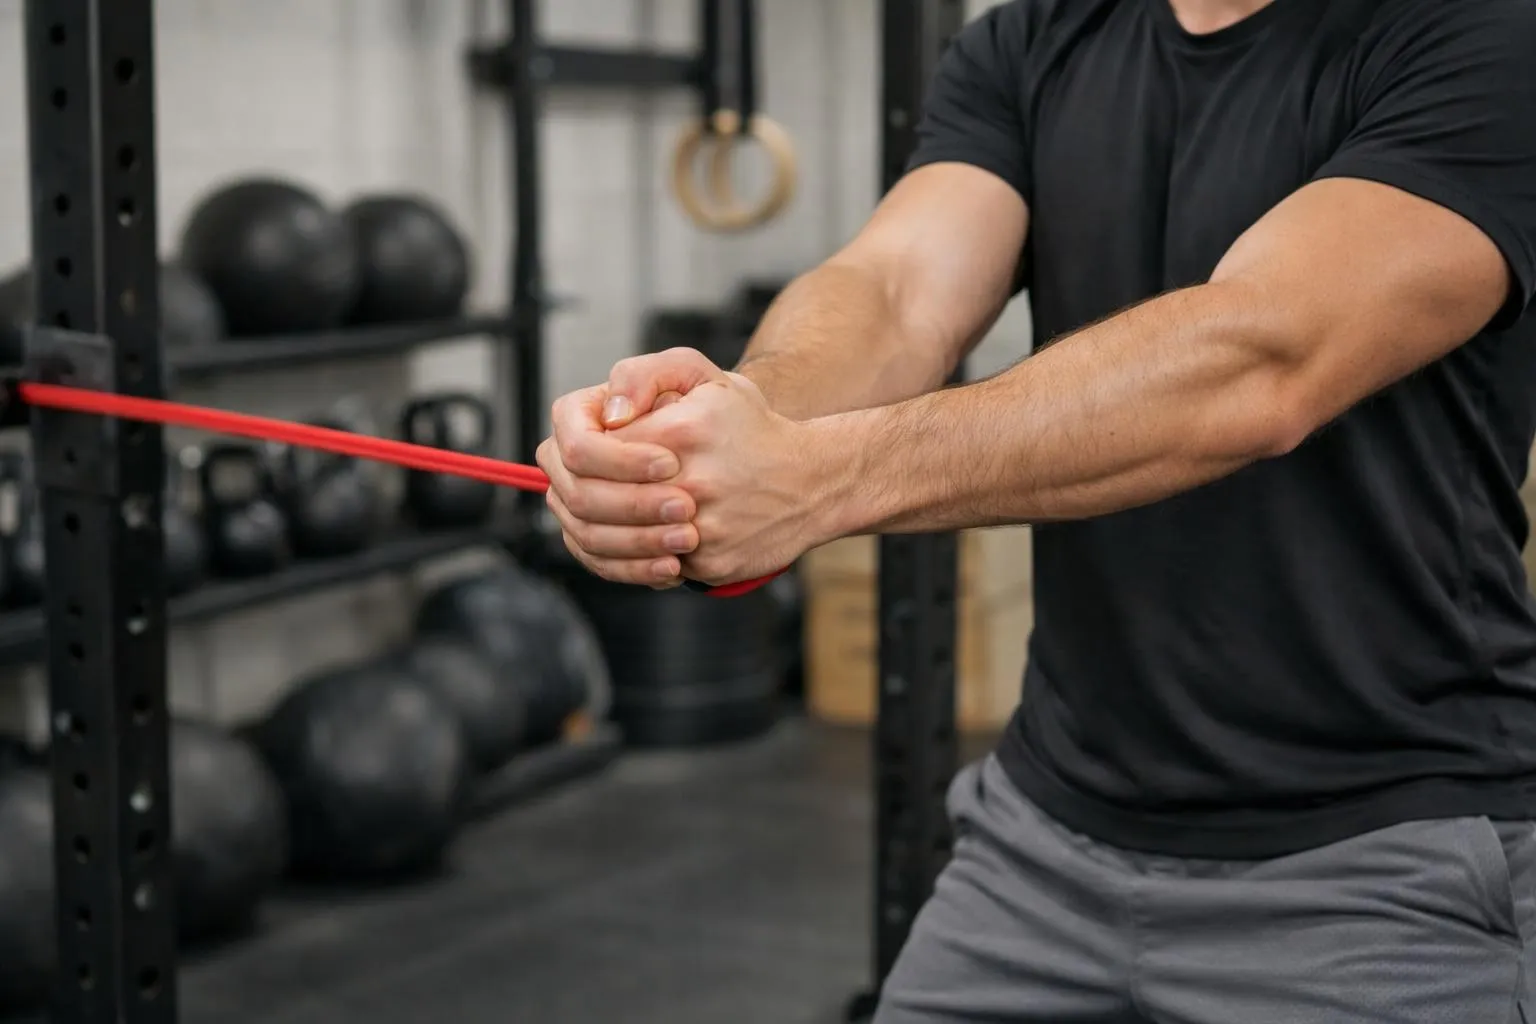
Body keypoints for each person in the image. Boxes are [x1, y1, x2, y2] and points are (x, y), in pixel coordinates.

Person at [538, 0, 1536, 1018]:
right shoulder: (1038, 38)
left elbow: (1265, 354)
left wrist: (818, 477)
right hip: (1040, 847)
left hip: (1376, 863)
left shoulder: (1478, 36)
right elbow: (894, 288)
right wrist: (730, 424)